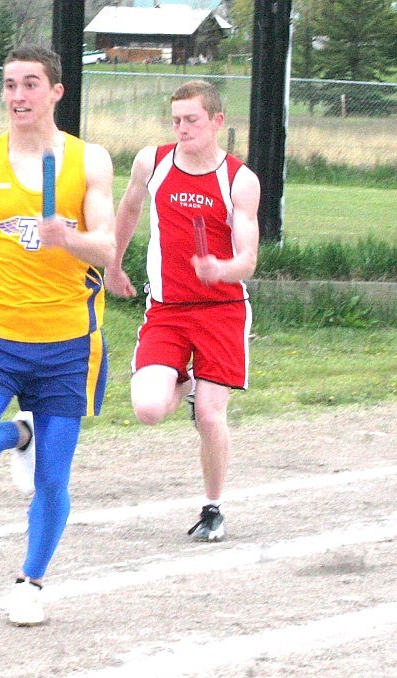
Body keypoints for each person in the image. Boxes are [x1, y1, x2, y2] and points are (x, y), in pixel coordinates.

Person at [0, 45, 116, 626]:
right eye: (11, 85)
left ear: (56, 91)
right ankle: (18, 433)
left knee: (53, 479)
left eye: (31, 84)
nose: (18, 96)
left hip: (69, 344)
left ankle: (30, 583)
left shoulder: (89, 162)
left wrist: (66, 237)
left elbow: (107, 247)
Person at [104, 79, 260, 543]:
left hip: (222, 310)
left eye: (191, 120)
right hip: (167, 308)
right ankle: (187, 381)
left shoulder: (238, 180)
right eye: (175, 120)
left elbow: (249, 259)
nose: (182, 128)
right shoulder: (152, 162)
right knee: (149, 409)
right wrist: (113, 264)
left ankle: (213, 507)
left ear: (217, 121)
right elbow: (129, 208)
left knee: (211, 415)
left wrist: (222, 267)